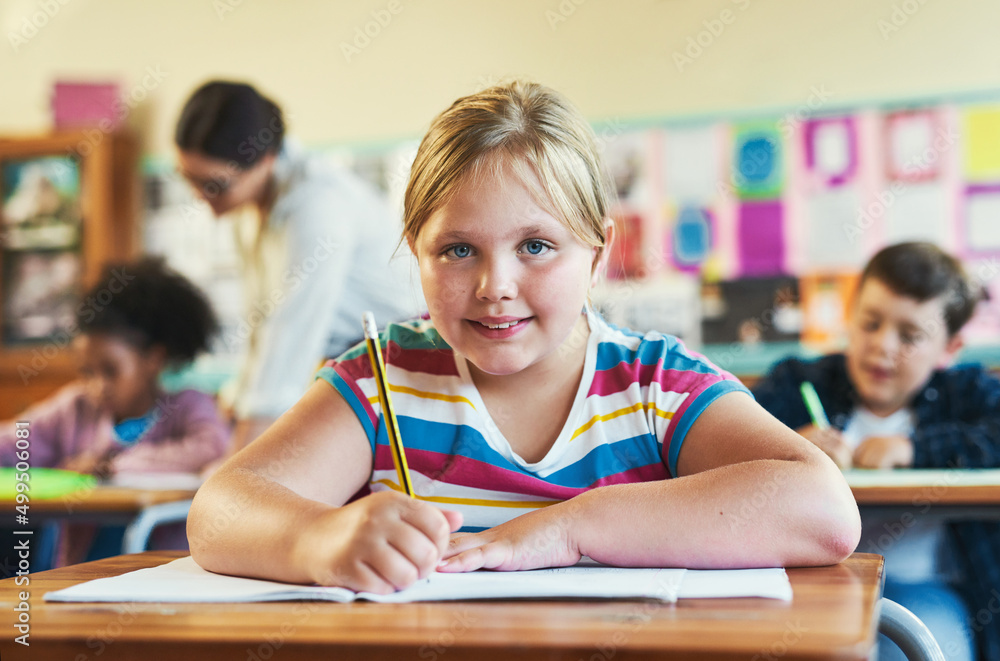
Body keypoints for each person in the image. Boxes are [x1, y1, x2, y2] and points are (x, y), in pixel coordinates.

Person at [187, 81, 860, 593]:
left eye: (536, 245)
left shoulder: (655, 384)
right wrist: (318, 537)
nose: (494, 284)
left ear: (596, 254)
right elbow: (218, 511)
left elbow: (823, 510)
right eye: (456, 250)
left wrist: (569, 526)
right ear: (413, 251)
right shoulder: (383, 378)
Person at [752, 242, 1000, 661]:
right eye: (870, 323)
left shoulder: (967, 395)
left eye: (910, 336)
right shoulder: (798, 382)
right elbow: (729, 435)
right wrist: (792, 446)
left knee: (918, 646)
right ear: (851, 315)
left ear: (950, 349)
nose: (883, 345)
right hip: (816, 583)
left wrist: (913, 449)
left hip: (926, 588)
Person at [174, 80, 423, 452]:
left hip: (401, 373)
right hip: (345, 368)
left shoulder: (318, 204)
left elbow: (288, 335)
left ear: (266, 160)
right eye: (189, 179)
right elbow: (263, 323)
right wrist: (234, 398)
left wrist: (236, 468)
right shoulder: (254, 204)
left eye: (214, 184)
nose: (199, 195)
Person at [0, 257, 229, 563]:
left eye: (110, 370)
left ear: (154, 359)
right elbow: (15, 442)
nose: (96, 386)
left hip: (163, 571)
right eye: (87, 372)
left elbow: (212, 447)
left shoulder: (188, 406)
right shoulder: (75, 408)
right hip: (79, 575)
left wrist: (113, 467)